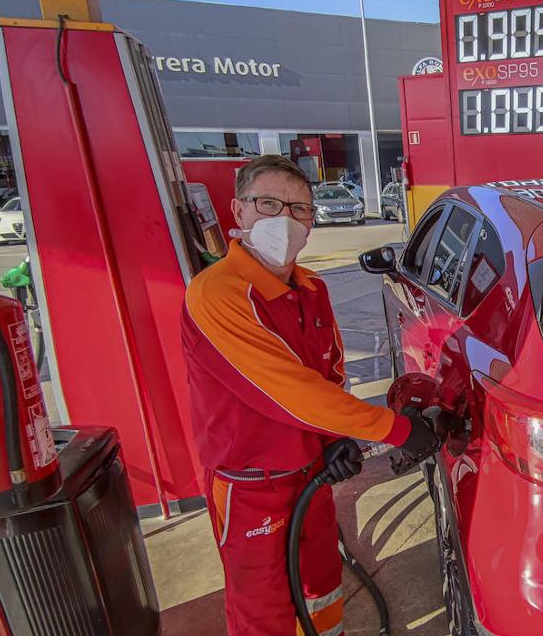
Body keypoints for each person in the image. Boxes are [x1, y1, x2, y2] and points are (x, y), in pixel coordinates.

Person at [182, 155, 438, 636]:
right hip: (254, 484)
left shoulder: (310, 287)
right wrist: (396, 430)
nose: (285, 220)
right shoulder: (216, 294)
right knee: (266, 604)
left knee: (320, 583)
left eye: (299, 209)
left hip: (311, 473)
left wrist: (334, 443)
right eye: (269, 204)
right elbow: (290, 392)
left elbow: (328, 375)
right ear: (239, 211)